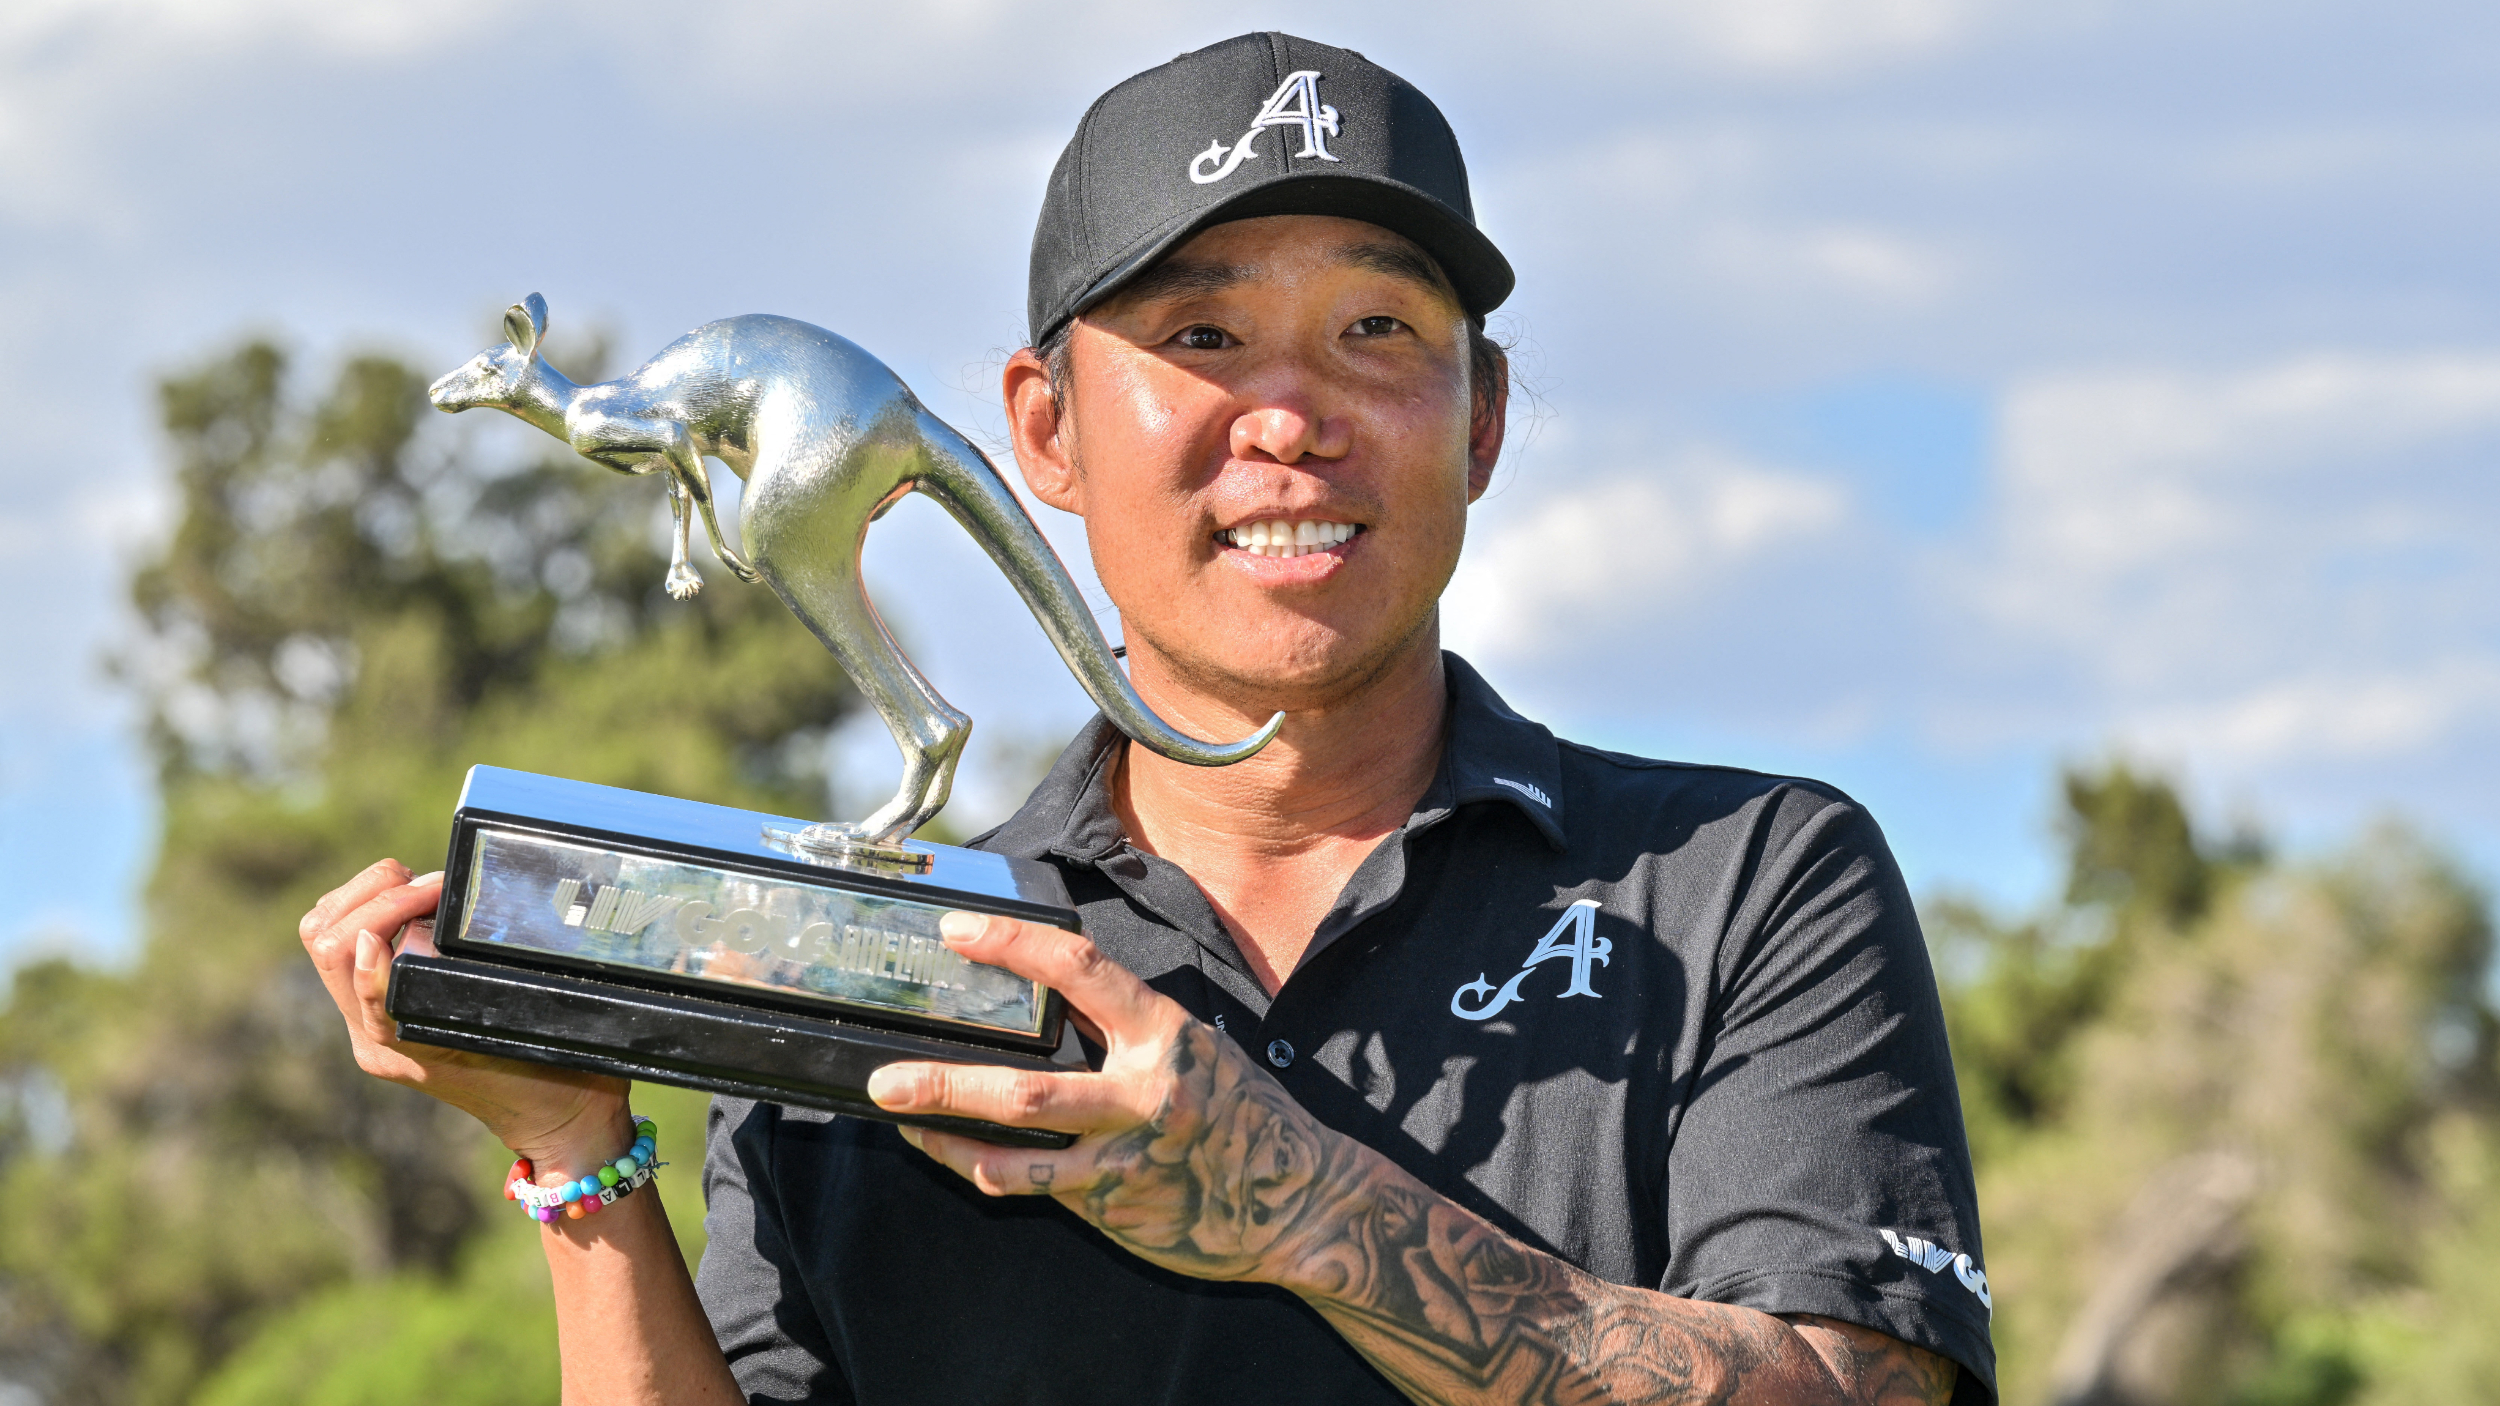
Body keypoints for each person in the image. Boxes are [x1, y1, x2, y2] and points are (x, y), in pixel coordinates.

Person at [298, 32, 1995, 1405]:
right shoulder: (880, 951)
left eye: (1376, 330)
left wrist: (1298, 1202)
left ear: (1479, 421)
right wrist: (577, 1157)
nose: (1290, 418)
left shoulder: (1746, 882)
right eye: (1200, 333)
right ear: (1044, 432)